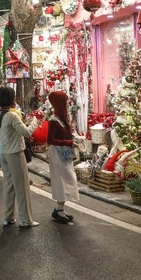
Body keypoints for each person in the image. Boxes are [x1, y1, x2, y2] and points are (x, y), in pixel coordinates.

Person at [0, 85, 39, 228]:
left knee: (8, 185)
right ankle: (26, 219)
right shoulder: (12, 115)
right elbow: (26, 132)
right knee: (22, 187)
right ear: (11, 99)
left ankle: (8, 216)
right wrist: (34, 122)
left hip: (4, 153)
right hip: (15, 153)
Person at [47, 90, 79, 224]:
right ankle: (59, 209)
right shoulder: (54, 120)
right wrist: (68, 142)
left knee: (67, 179)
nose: (66, 103)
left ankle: (60, 209)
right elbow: (50, 140)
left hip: (64, 153)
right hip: (58, 154)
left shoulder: (61, 118)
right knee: (62, 180)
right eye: (64, 101)